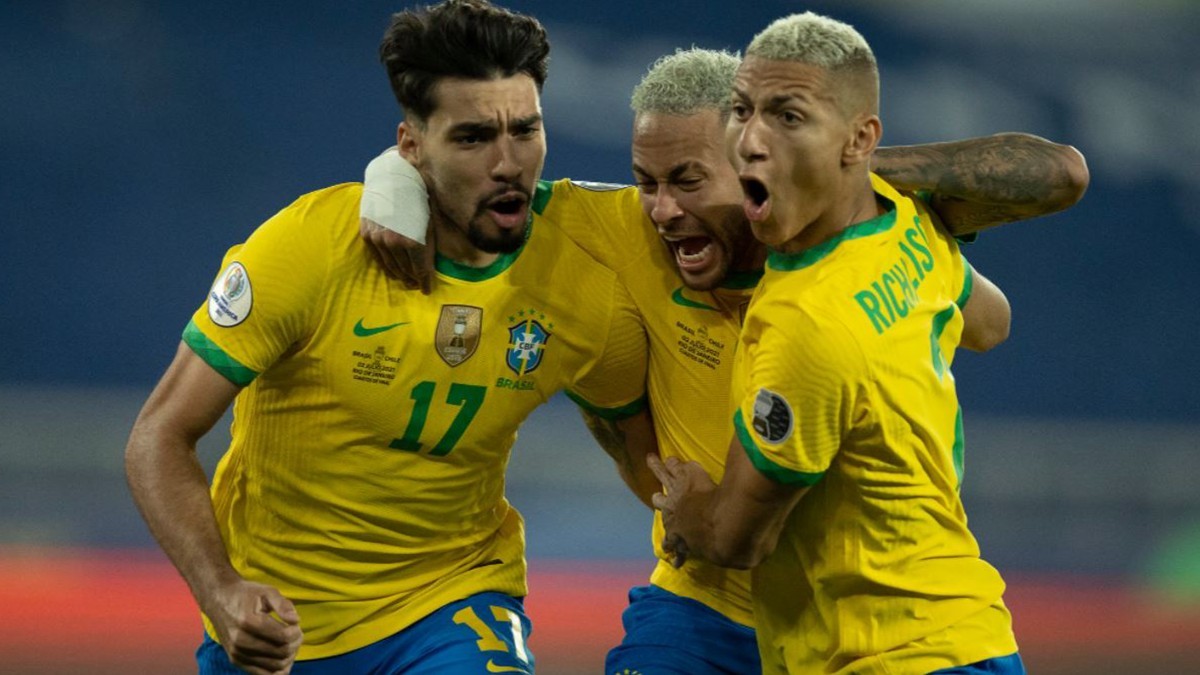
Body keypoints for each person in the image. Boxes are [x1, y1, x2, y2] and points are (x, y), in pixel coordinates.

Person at [360, 43, 1087, 673]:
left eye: (687, 181)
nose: (661, 210)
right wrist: (391, 179)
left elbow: (1004, 289)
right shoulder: (617, 228)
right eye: (647, 181)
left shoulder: (854, 241)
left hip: (849, 616)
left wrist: (834, 169)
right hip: (704, 605)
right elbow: (465, 174)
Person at [123, 2, 651, 674]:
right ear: (411, 145)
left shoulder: (585, 275)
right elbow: (158, 436)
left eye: (526, 130)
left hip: (453, 600)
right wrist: (221, 590)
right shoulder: (311, 246)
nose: (508, 163)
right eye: (472, 138)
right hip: (283, 621)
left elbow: (641, 447)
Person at [648, 12, 1087, 674]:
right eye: (741, 111)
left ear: (860, 139)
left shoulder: (805, 323)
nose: (752, 140)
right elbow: (990, 322)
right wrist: (840, 171)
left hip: (881, 654)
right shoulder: (902, 218)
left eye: (788, 117)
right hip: (970, 636)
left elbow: (737, 540)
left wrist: (687, 514)